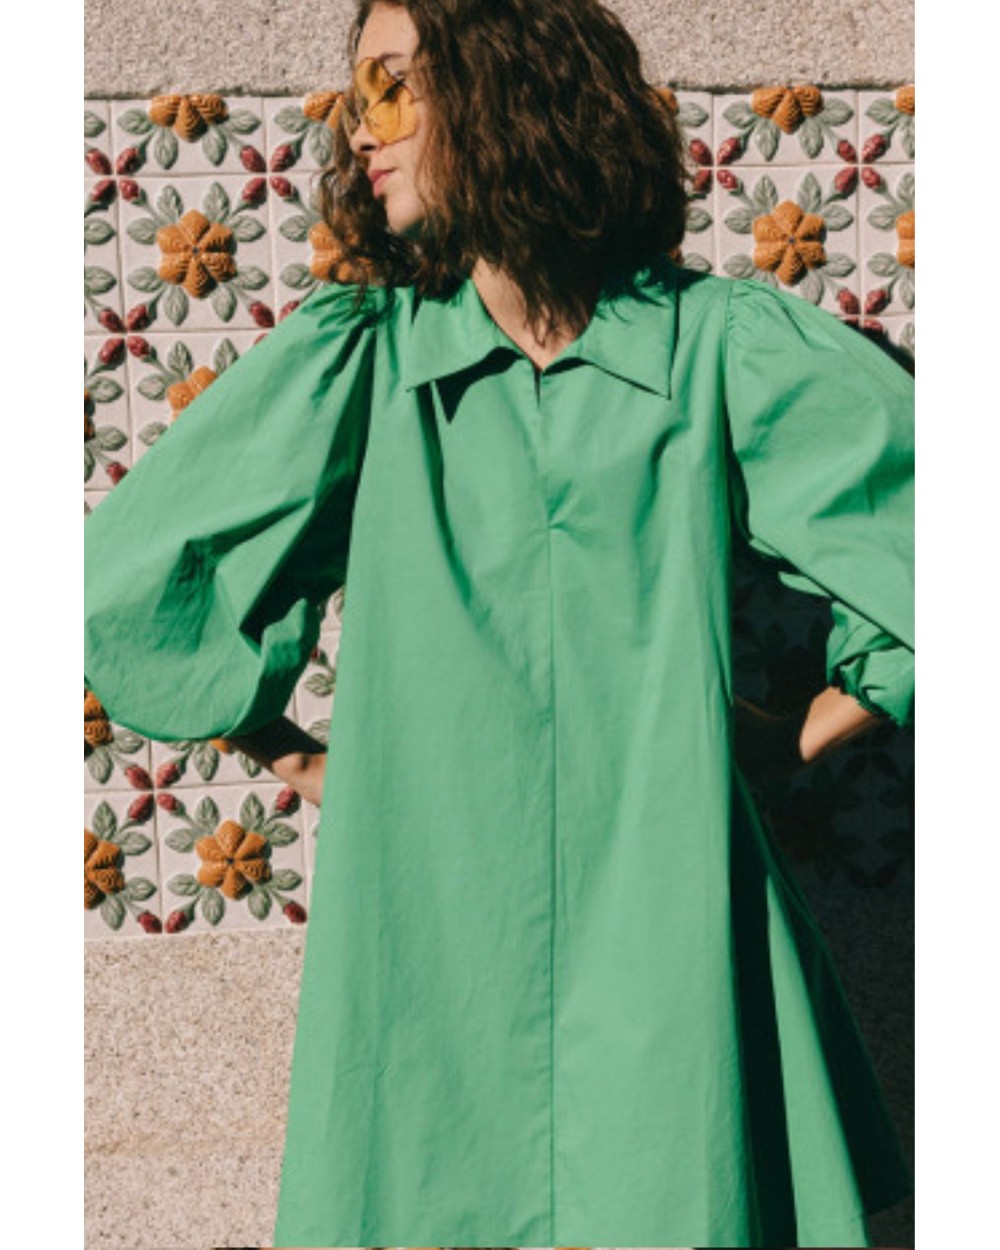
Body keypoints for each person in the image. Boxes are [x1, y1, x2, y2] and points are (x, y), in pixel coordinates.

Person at [83, 0, 915, 1246]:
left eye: (393, 86)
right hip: (426, 933)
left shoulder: (717, 349)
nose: (361, 129)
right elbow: (132, 586)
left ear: (507, 92)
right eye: (357, 95)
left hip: (668, 927)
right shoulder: (362, 357)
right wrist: (301, 757)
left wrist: (804, 732)